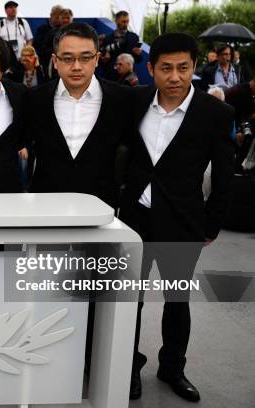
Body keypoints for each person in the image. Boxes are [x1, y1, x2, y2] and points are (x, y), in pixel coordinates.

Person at [119, 32, 235, 402]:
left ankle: (173, 368)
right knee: (129, 300)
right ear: (150, 69)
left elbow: (224, 174)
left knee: (177, 300)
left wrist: (211, 223)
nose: (174, 76)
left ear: (195, 67)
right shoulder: (134, 101)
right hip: (135, 218)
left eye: (183, 67)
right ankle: (127, 367)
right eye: (165, 68)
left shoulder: (216, 113)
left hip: (183, 221)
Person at [25, 22, 132, 208]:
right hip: (45, 208)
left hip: (100, 209)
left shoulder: (122, 99)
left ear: (97, 59)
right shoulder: (34, 99)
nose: (76, 66)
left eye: (85, 58)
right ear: (55, 61)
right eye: (67, 58)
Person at [99, 10, 142, 81]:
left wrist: (138, 54)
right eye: (123, 22)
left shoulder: (134, 37)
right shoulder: (107, 38)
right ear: (116, 21)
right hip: (110, 77)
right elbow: (101, 62)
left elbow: (139, 60)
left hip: (127, 79)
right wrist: (104, 58)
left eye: (127, 21)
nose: (126, 24)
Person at [33, 5, 62, 74]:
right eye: (56, 16)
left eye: (60, 16)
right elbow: (37, 45)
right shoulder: (42, 29)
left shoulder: (63, 29)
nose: (58, 19)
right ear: (51, 15)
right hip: (45, 61)